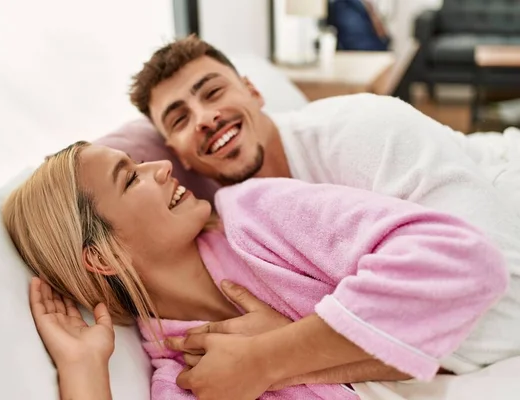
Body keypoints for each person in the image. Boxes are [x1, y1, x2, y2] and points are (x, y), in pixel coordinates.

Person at [127, 35, 520, 395]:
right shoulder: (235, 218)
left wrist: (276, 354)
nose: (204, 118)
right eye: (180, 119)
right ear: (177, 153)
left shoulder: (362, 130)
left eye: (213, 92)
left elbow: (506, 311)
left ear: (253, 91)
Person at [3, 141, 507, 400]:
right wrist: (84, 370)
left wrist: (269, 356)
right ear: (104, 255)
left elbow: (462, 260)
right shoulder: (182, 378)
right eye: (130, 179)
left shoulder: (258, 213)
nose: (160, 168)